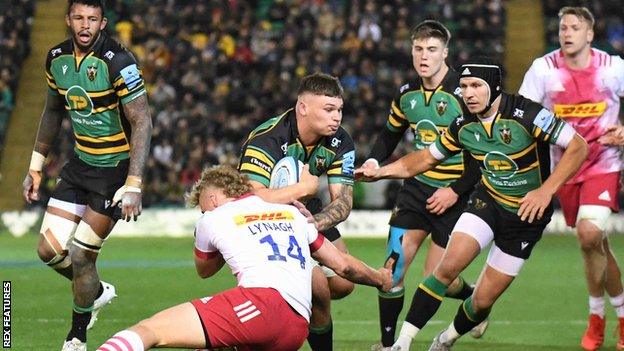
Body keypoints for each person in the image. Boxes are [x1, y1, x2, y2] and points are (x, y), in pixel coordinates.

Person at [356, 57, 588, 350]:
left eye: (476, 86)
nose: (468, 93)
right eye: (464, 86)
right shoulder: (462, 123)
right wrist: (382, 171)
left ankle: (448, 337)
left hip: (526, 217)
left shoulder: (527, 113)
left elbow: (579, 146)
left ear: (495, 87)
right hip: (487, 203)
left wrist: (546, 191)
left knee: (481, 302)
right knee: (444, 269)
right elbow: (425, 158)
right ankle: (403, 342)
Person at [96, 165, 393, 351]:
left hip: (261, 306)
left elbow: (204, 271)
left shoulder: (212, 218)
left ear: (212, 198)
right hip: (296, 327)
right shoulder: (291, 213)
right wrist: (381, 277)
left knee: (150, 330)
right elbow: (342, 265)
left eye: (202, 207)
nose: (204, 213)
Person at [21, 1, 152, 350]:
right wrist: (35, 167)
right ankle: (95, 291)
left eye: (92, 19)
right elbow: (51, 111)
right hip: (80, 166)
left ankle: (76, 336)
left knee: (81, 256)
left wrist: (134, 183)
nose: (85, 25)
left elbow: (142, 120)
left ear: (103, 23)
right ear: (68, 20)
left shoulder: (119, 61)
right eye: (79, 17)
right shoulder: (56, 58)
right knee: (47, 250)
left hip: (114, 172)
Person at [360, 21, 484, 350]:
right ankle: (388, 345)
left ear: (445, 53)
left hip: (458, 194)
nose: (423, 56)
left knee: (438, 276)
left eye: (431, 50)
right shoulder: (407, 94)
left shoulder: (465, 91)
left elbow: (479, 154)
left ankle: (473, 297)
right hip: (416, 190)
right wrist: (374, 160)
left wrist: (455, 190)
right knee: (392, 267)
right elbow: (390, 133)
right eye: (418, 49)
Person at [518, 7, 624, 350]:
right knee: (592, 243)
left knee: (589, 233)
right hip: (564, 169)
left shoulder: (613, 68)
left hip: (604, 163)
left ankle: (597, 320)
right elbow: (523, 114)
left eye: (575, 27)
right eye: (563, 27)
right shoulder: (543, 70)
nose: (567, 33)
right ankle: (620, 316)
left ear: (589, 34)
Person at [237, 72, 355, 350]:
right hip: (262, 220)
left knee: (344, 283)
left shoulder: (340, 141)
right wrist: (303, 189)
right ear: (303, 108)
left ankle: (289, 303)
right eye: (328, 110)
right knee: (318, 290)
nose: (336, 117)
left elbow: (344, 201)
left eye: (339, 110)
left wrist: (314, 221)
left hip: (307, 214)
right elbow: (253, 199)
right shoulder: (267, 140)